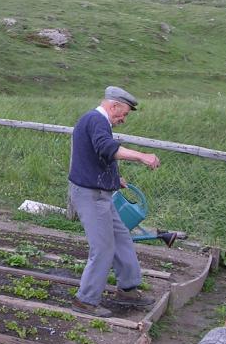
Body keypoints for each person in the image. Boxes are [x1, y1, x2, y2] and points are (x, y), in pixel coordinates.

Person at [68, 86, 161, 317]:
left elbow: (94, 154)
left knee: (121, 240)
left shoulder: (98, 122)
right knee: (103, 248)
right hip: (91, 195)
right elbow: (107, 148)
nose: (124, 118)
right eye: (124, 113)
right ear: (114, 105)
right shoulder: (96, 120)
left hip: (101, 193)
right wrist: (141, 156)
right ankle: (85, 301)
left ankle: (127, 290)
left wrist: (114, 178)